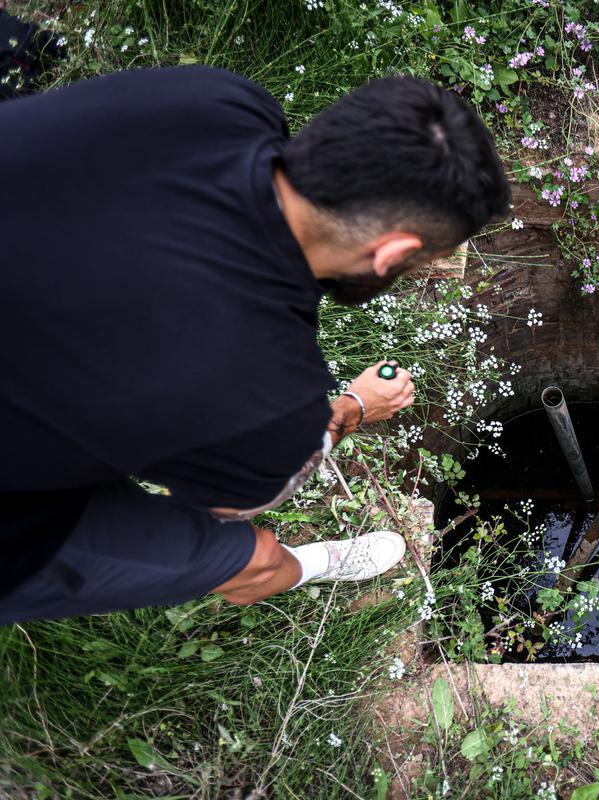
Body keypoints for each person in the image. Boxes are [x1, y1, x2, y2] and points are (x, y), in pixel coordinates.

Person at [0, 65, 511, 624]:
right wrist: (356, 407)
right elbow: (220, 506)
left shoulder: (215, 100)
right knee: (253, 559)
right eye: (421, 261)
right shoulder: (269, 394)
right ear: (391, 253)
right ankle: (309, 565)